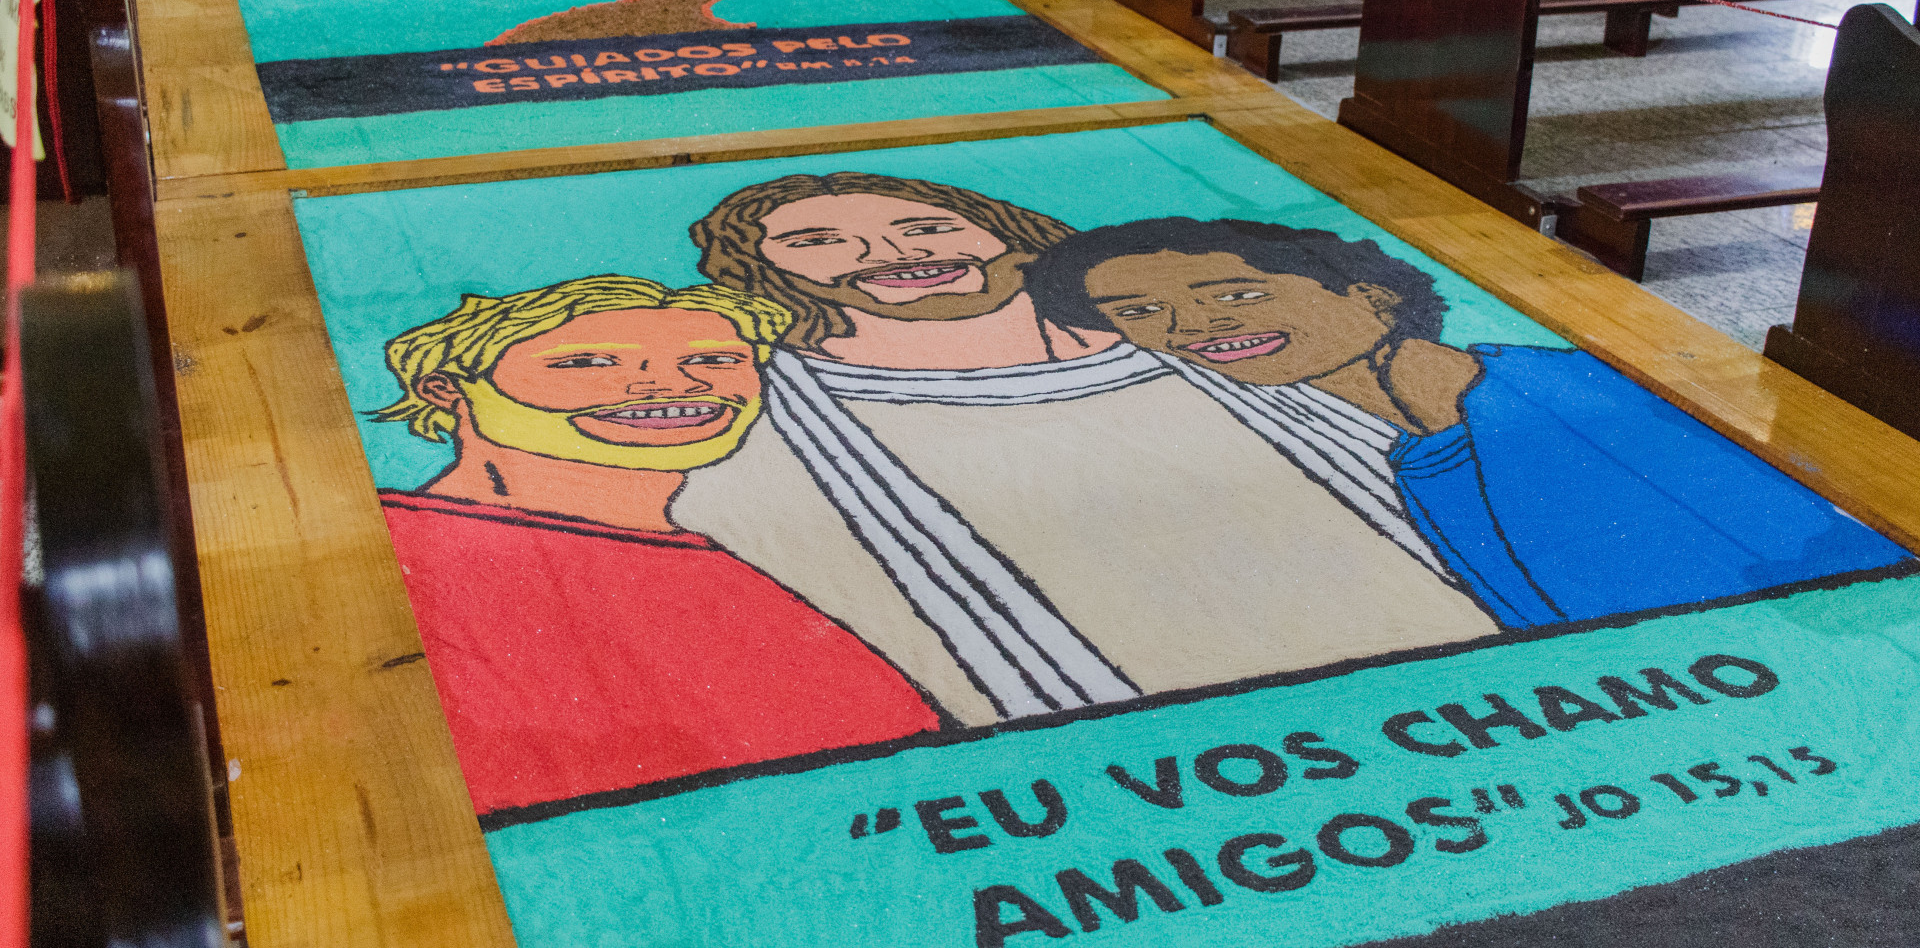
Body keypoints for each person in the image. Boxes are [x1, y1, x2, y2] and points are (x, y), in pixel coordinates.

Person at [669, 174, 1501, 727]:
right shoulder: (758, 416)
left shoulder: (1208, 338)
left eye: (927, 226)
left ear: (1008, 235)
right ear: (760, 271)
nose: (896, 254)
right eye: (818, 242)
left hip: (1461, 684)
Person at [1022, 217, 1913, 627]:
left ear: (1368, 291)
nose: (1189, 328)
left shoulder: (1573, 402)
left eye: (1239, 293)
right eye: (1139, 315)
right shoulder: (1421, 461)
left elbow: (1829, 579)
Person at [373, 274, 942, 815]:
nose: (677, 384)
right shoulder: (402, 551)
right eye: (588, 362)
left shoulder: (719, 568)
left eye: (715, 360)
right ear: (446, 388)